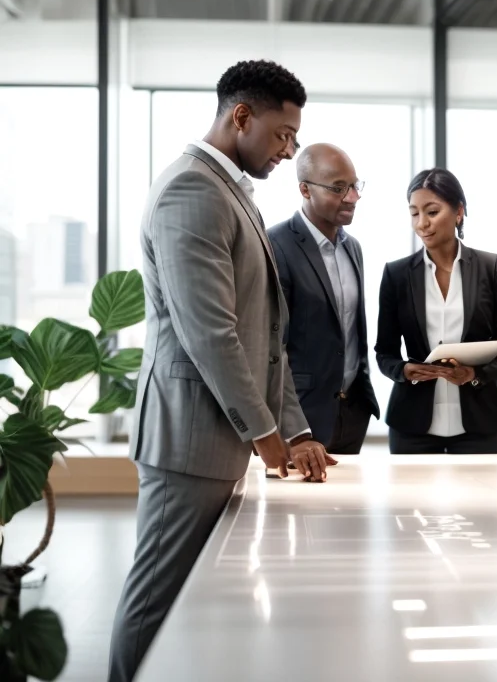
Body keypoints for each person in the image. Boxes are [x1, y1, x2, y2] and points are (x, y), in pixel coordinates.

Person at [109, 60, 335, 682]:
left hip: (213, 439)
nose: (288, 151)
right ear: (241, 116)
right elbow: (210, 332)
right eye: (283, 135)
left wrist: (293, 428)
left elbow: (266, 334)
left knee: (186, 601)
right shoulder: (192, 190)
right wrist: (264, 432)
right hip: (188, 440)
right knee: (157, 598)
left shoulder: (231, 192)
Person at [375, 168, 497, 454]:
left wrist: (474, 374)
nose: (422, 223)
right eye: (414, 213)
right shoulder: (396, 275)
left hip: (479, 421)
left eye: (432, 212)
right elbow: (384, 352)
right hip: (412, 423)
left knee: (479, 487)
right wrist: (404, 371)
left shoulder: (490, 268)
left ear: (459, 212)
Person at [267, 144, 380, 453]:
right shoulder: (275, 245)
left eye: (355, 186)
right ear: (305, 189)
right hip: (301, 418)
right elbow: (271, 346)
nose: (352, 197)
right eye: (338, 188)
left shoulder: (352, 247)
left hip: (352, 414)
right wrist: (291, 427)